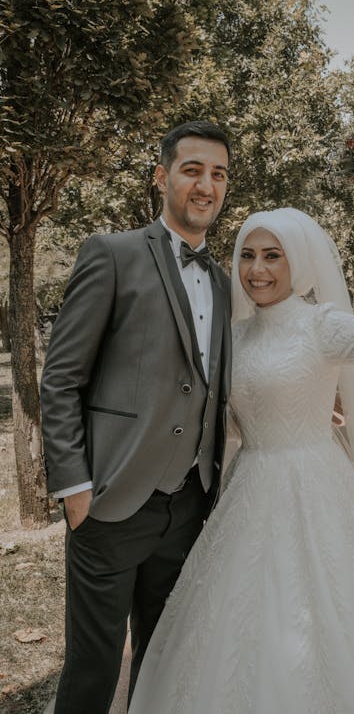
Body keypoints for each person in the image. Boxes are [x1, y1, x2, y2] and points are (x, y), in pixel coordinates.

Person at [129, 195, 354, 713]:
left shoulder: (321, 324)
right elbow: (228, 421)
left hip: (317, 485)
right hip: (249, 488)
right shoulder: (234, 335)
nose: (256, 269)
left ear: (298, 261)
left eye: (272, 256)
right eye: (247, 255)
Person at [40, 121, 232, 714]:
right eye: (192, 169)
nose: (207, 185)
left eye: (219, 174)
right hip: (110, 502)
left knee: (164, 662)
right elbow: (61, 377)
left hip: (188, 505)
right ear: (162, 176)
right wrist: (74, 487)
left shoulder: (224, 282)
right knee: (93, 672)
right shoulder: (112, 253)